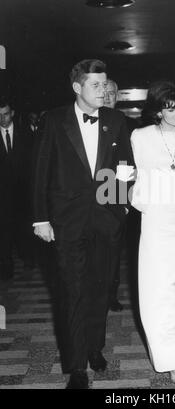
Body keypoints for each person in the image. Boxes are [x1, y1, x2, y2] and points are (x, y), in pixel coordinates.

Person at [32, 59, 134, 389]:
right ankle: (77, 366)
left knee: (101, 288)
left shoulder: (118, 120)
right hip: (67, 222)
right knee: (73, 290)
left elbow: (125, 168)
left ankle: (94, 347)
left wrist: (120, 206)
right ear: (77, 88)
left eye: (105, 85)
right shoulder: (54, 120)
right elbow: (40, 172)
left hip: (106, 220)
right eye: (96, 85)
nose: (103, 91)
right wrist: (41, 218)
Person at [131, 81, 175, 385]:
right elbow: (126, 173)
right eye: (171, 107)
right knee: (156, 292)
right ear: (158, 110)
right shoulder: (140, 136)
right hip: (156, 222)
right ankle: (164, 355)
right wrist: (133, 198)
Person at [103, 78, 140, 312]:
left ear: (118, 96)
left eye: (112, 93)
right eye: (103, 92)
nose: (107, 97)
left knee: (115, 249)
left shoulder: (130, 124)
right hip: (89, 195)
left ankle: (110, 295)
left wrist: (125, 200)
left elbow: (133, 162)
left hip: (119, 193)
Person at [0, 98, 34, 281]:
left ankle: (28, 258)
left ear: (12, 113)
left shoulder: (26, 134)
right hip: (2, 195)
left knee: (24, 228)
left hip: (23, 192)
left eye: (5, 114)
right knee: (3, 232)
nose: (2, 119)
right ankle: (6, 267)